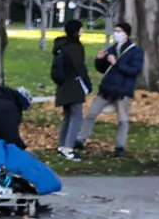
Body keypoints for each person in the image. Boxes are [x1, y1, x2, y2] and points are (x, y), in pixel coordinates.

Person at [89, 22, 143, 156]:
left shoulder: (135, 51)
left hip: (123, 90)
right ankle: (80, 139)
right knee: (91, 114)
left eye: (119, 31)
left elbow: (134, 71)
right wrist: (100, 60)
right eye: (115, 31)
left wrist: (117, 63)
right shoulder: (113, 49)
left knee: (123, 119)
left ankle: (120, 147)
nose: (116, 34)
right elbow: (102, 69)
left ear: (126, 34)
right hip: (107, 88)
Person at [49, 18, 91, 159]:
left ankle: (62, 145)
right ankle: (68, 148)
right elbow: (80, 68)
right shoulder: (75, 48)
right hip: (73, 86)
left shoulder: (61, 46)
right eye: (80, 29)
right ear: (75, 31)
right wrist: (88, 84)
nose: (82, 31)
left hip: (63, 86)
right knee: (76, 118)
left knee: (67, 117)